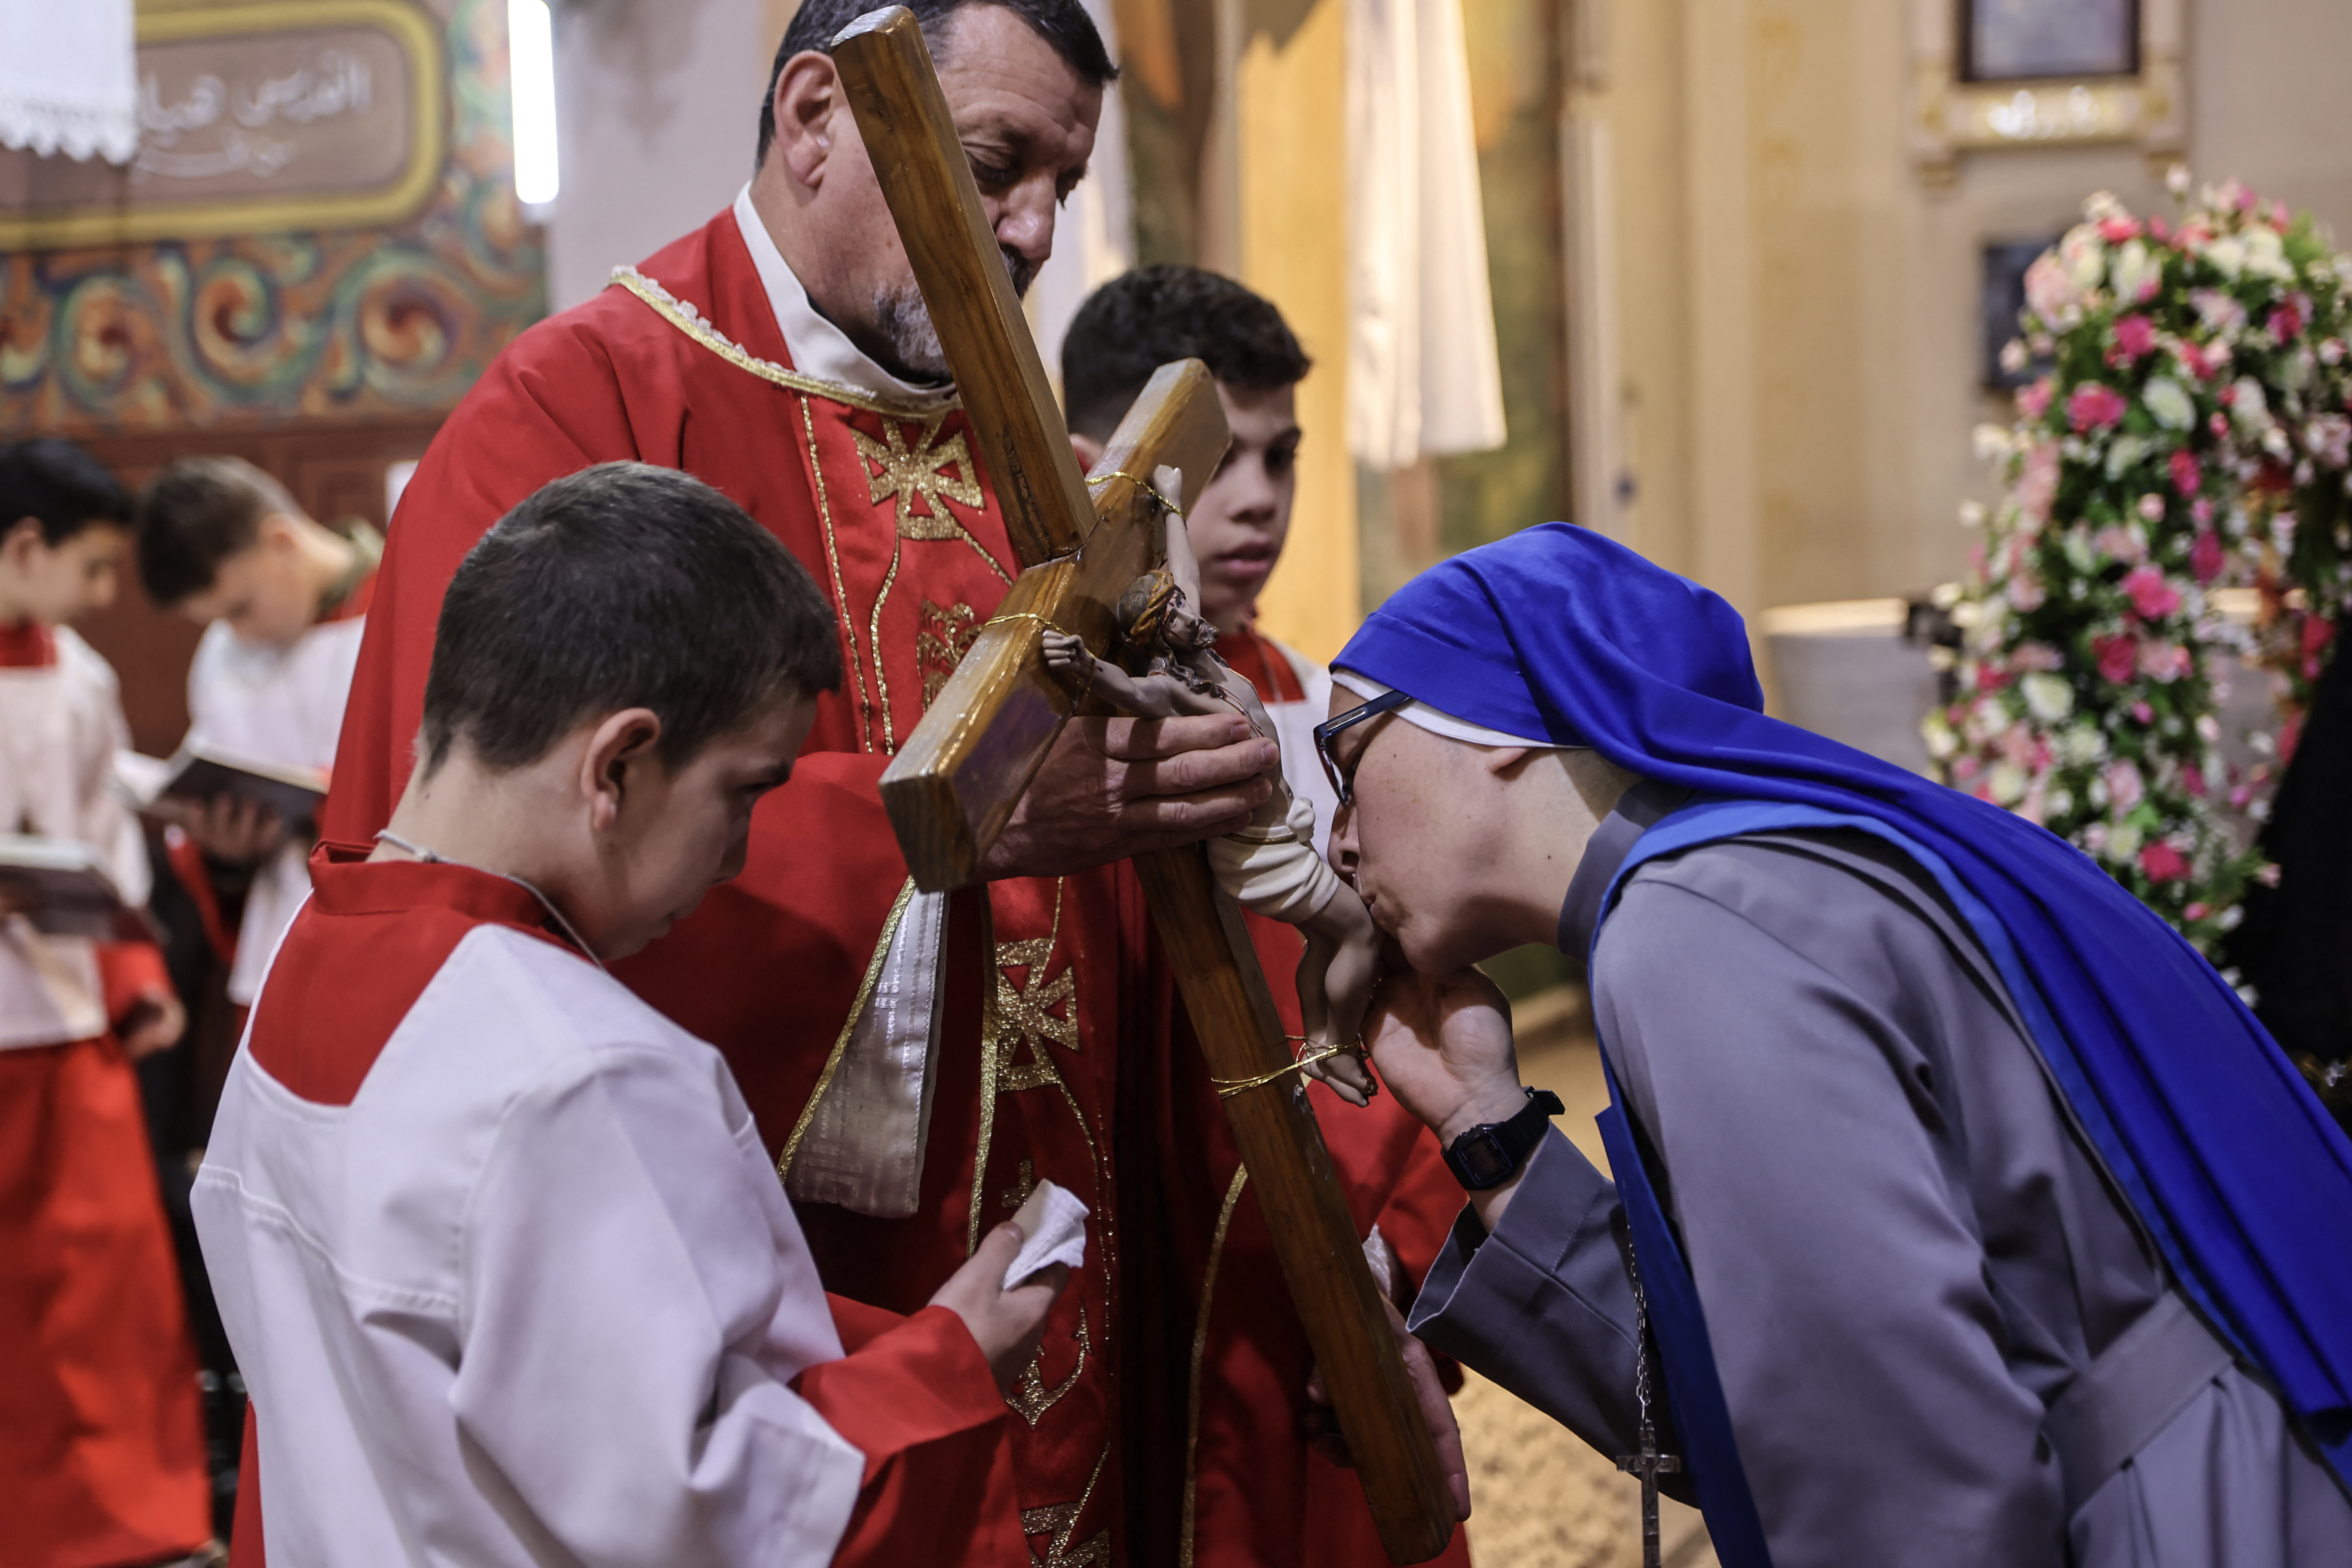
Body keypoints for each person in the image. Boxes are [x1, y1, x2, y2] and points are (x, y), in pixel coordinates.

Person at [317, 4, 1353, 1557]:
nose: (1030, 232)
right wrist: (962, 820)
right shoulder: (580, 411)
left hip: (1076, 1251)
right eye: (997, 165)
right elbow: (468, 893)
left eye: (1061, 188)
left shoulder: (1044, 462)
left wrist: (1192, 792)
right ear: (813, 113)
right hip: (764, 1299)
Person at [1322, 521, 2352, 1566]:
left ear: (1494, 716)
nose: (1339, 839)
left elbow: (1901, 1489)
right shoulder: (1731, 887)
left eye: (1344, 754)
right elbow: (1762, 1396)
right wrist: (1485, 1121)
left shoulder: (1692, 927)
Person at [195, 463, 1064, 1566]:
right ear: (619, 763)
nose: (745, 855)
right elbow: (703, 1520)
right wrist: (953, 1358)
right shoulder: (577, 1068)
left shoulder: (303, 963)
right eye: (747, 792)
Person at [1059, 266, 1472, 1566]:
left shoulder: (1314, 705)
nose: (1258, 502)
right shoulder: (1058, 727)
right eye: (1216, 463)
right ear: (1093, 468)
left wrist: (1403, 1257)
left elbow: (1403, 1007)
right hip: (1133, 1273)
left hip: (1307, 1273)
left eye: (1281, 459)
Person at [0, 438, 212, 1568]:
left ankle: (123, 1520)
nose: (98, 598)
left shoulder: (76, 675)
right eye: (88, 569)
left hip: (66, 1016)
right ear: (24, 545)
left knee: (100, 1292)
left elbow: (98, 840)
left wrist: (135, 979)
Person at [135, 456, 381, 1015]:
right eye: (219, 619)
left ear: (281, 540)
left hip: (391, 947)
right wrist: (227, 858)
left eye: (242, 607)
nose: (238, 632)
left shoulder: (410, 610)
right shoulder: (224, 652)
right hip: (281, 953)